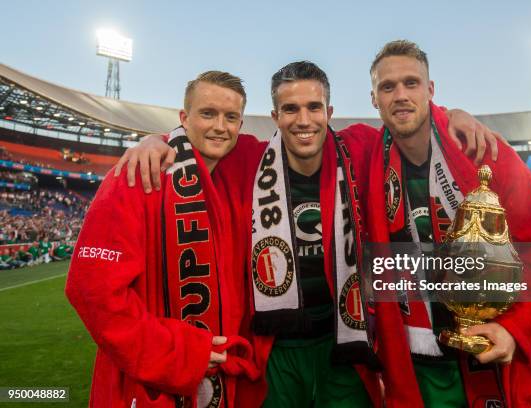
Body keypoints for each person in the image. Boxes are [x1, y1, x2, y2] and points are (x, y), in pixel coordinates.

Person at [115, 61, 504, 407]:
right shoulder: (248, 157)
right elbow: (204, 137)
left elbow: (408, 124)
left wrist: (452, 114)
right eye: (290, 109)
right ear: (275, 116)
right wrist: (161, 140)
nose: (303, 120)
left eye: (314, 107)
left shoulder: (358, 147)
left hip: (343, 345)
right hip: (276, 349)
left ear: (329, 112)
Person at [361, 40, 531, 407]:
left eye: (411, 83)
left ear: (431, 90)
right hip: (416, 369)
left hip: (493, 363)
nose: (400, 95)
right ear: (374, 99)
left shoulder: (486, 153)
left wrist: (513, 329)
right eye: (387, 87)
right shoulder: (366, 158)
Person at [65, 71, 259, 408]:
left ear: (241, 125)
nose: (220, 126)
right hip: (148, 387)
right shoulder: (137, 174)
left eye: (231, 117)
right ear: (184, 118)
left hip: (223, 382)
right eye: (207, 113)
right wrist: (180, 352)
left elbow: (304, 138)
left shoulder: (241, 173)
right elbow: (92, 289)